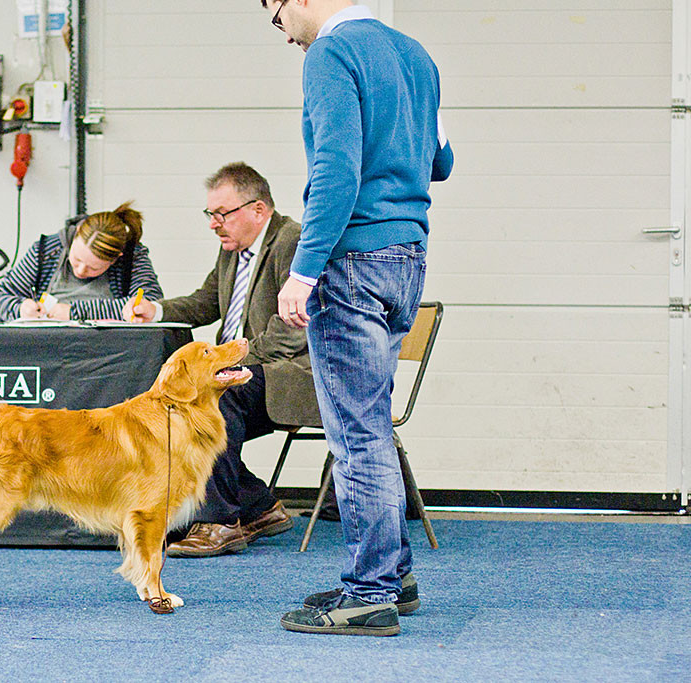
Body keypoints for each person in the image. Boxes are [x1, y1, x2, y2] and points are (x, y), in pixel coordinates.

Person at [261, 0, 454, 636]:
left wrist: (303, 270)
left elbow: (335, 170)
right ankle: (390, 574)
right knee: (370, 421)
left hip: (352, 257)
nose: (282, 31)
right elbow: (441, 163)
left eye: (276, 13)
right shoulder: (416, 54)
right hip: (408, 255)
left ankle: (369, 592)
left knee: (355, 432)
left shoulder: (331, 53)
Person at [125, 162, 321, 558]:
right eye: (210, 214)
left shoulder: (293, 242)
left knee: (211, 398)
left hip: (295, 373)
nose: (213, 224)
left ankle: (221, 522)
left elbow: (293, 330)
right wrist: (156, 311)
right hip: (249, 368)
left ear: (258, 210)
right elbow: (205, 302)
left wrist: (229, 363)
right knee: (172, 408)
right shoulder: (233, 249)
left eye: (222, 214)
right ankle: (258, 507)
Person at [0, 202, 162, 321]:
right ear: (76, 234)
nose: (80, 271)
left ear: (116, 259)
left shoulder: (133, 258)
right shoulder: (47, 250)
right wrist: (20, 308)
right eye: (76, 260)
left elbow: (149, 305)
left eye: (94, 268)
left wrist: (75, 312)